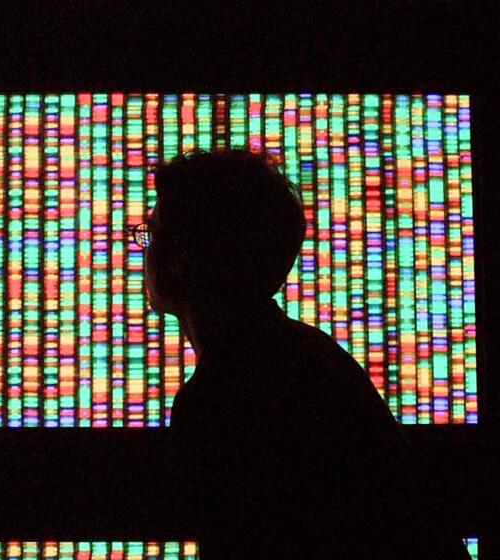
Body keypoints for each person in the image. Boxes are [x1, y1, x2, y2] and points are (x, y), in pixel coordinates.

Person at [138, 148, 471, 559]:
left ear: (184, 254)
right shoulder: (307, 355)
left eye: (152, 234)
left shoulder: (224, 395)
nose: (146, 250)